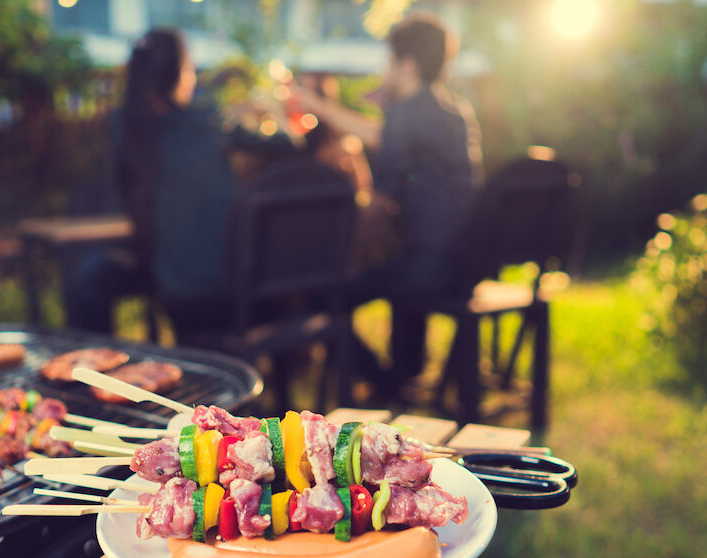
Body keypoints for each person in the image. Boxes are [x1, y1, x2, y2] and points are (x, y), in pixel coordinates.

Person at [292, 12, 483, 393]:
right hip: (466, 260)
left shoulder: (407, 115)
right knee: (400, 262)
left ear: (406, 65)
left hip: (429, 268)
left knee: (322, 295)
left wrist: (351, 263)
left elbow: (379, 204)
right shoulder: (453, 111)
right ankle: (405, 372)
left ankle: (384, 382)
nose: (384, 71)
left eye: (388, 62)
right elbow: (382, 135)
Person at [66, 28, 292, 335]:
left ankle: (95, 366)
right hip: (220, 292)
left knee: (90, 277)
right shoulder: (210, 122)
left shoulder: (123, 124)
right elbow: (287, 143)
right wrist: (274, 111)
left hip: (166, 283)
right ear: (181, 75)